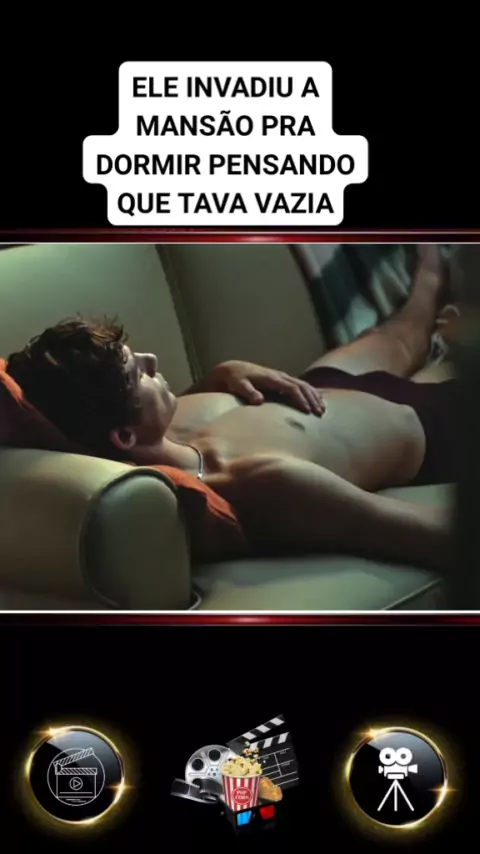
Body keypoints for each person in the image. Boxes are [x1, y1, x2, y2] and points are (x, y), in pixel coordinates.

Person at [6, 246, 458, 572]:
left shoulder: (158, 430)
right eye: (136, 373)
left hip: (318, 385)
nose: (152, 361)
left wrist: (222, 375)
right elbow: (439, 539)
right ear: (124, 436)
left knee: (410, 318)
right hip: (423, 425)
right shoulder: (260, 484)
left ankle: (433, 266)